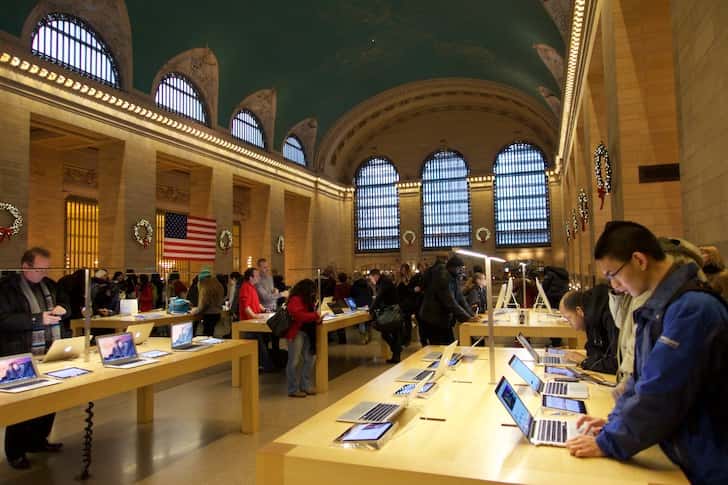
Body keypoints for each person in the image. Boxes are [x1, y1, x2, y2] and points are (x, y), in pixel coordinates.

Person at [565, 221, 728, 484]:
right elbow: (639, 381)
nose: (615, 285)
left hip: (706, 461)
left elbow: (661, 392)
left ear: (639, 260)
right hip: (679, 449)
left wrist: (610, 442)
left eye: (613, 274)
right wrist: (613, 424)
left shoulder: (692, 309)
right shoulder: (657, 308)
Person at [0, 247, 69, 469]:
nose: (43, 273)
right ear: (25, 266)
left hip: (49, 350)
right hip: (19, 351)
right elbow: (3, 320)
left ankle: (38, 440)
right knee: (23, 404)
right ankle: (15, 451)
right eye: (39, 268)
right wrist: (36, 319)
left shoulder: (49, 285)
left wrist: (63, 309)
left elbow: (67, 303)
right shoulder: (7, 289)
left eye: (46, 268)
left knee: (50, 398)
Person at [418, 256, 479, 345]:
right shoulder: (443, 278)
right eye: (460, 268)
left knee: (449, 346)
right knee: (440, 349)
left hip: (442, 320)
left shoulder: (453, 277)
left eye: (463, 268)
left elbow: (460, 298)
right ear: (452, 268)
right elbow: (450, 303)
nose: (462, 271)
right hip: (433, 320)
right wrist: (467, 318)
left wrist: (471, 315)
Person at [558, 285, 619, 374]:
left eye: (569, 318)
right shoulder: (591, 315)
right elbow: (592, 349)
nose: (569, 323)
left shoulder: (606, 315)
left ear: (579, 311)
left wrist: (585, 361)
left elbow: (615, 364)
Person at [285, 279, 321, 397]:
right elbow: (298, 315)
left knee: (310, 358)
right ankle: (293, 389)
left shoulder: (307, 299)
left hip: (307, 331)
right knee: (294, 361)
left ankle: (305, 385)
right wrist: (314, 315)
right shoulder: (295, 299)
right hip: (297, 332)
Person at [239, 267, 275, 371]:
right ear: (251, 277)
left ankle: (265, 365)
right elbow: (246, 306)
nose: (259, 277)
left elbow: (256, 303)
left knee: (261, 344)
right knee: (259, 346)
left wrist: (264, 310)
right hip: (249, 323)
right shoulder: (245, 287)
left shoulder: (252, 287)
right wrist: (255, 316)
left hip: (255, 320)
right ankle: (266, 366)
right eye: (257, 275)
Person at [369, 269, 402, 363]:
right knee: (394, 333)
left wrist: (371, 309)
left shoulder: (384, 282)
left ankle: (396, 351)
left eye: (371, 278)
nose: (371, 280)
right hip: (393, 310)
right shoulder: (384, 281)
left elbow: (379, 297)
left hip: (392, 311)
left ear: (375, 276)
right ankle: (396, 354)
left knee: (382, 328)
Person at [195, 268, 224, 336]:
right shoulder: (218, 285)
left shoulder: (205, 287)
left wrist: (196, 311)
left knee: (207, 335)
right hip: (217, 313)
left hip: (208, 315)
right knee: (212, 334)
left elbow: (204, 303)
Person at [396, 264, 416, 346]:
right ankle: (402, 339)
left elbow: (410, 291)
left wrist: (405, 283)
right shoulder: (399, 279)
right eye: (402, 269)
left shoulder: (410, 279)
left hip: (408, 304)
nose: (403, 271)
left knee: (407, 322)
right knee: (401, 322)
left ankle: (407, 339)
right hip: (400, 303)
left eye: (404, 269)